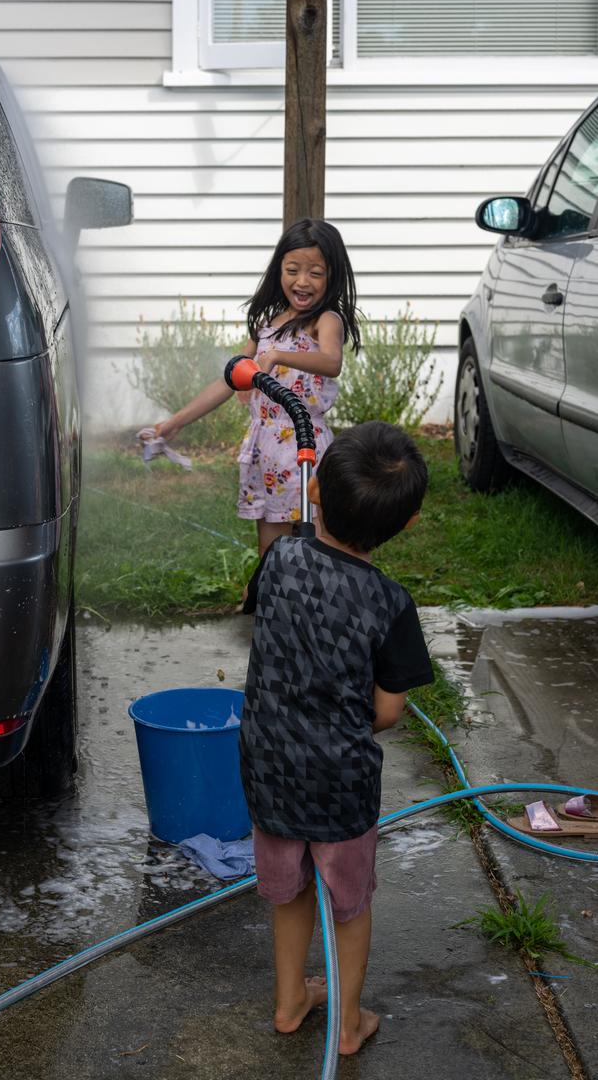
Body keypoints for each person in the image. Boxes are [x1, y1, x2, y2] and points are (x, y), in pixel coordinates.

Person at [239, 420, 433, 1055]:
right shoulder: (390, 602)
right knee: (347, 906)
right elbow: (388, 710)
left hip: (268, 769)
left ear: (313, 490)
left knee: (288, 892)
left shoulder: (279, 559)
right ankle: (349, 1025)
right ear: (407, 527)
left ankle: (290, 1002)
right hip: (341, 786)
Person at [153, 219, 361, 557]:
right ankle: (265, 596)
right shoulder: (267, 325)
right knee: (271, 546)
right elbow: (228, 380)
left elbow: (331, 361)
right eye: (293, 269)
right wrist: (175, 421)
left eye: (316, 273)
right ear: (279, 269)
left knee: (322, 540)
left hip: (306, 448)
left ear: (332, 275)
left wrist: (280, 356)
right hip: (266, 451)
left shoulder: (325, 321)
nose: (302, 281)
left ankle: (320, 600)